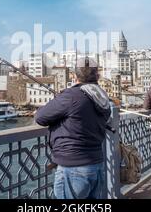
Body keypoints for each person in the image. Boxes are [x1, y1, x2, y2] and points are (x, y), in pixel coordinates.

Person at [35, 57, 111, 199]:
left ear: (74, 76)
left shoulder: (71, 96)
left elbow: (40, 117)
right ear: (98, 76)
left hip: (73, 167)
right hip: (96, 163)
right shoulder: (102, 96)